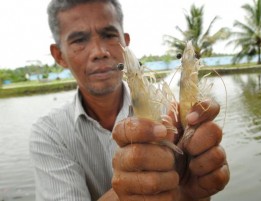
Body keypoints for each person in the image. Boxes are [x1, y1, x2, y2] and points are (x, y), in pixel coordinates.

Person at [29, 0, 230, 200]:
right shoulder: (48, 133)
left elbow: (192, 189)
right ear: (59, 55)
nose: (100, 52)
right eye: (79, 40)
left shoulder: (170, 113)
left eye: (109, 36)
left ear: (125, 41)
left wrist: (190, 192)